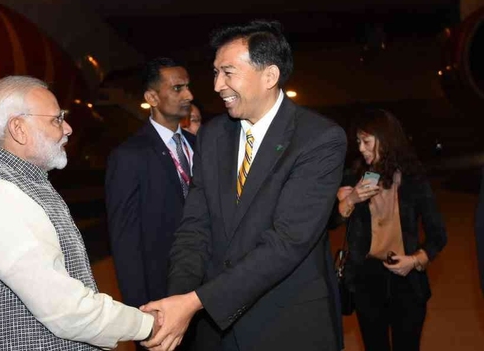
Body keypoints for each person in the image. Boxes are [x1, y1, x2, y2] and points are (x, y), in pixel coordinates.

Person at [142, 20, 347, 351]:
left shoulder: (318, 139)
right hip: (214, 331)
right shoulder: (211, 136)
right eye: (215, 72)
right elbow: (195, 227)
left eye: (227, 72)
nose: (216, 85)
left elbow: (287, 242)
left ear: (269, 76)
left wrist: (194, 302)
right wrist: (177, 300)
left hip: (287, 326)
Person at [0, 76, 156, 350]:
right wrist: (146, 325)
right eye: (56, 119)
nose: (67, 128)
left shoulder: (24, 181)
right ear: (18, 129)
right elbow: (64, 310)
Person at [334, 108, 446, 351]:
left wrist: (416, 260)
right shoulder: (356, 177)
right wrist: (349, 200)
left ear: (384, 140)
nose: (361, 148)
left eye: (366, 142)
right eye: (358, 142)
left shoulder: (413, 178)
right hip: (367, 280)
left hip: (407, 279)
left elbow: (438, 234)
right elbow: (332, 222)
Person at [106, 57, 195, 311]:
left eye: (188, 86)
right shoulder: (129, 155)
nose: (189, 94)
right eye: (178, 88)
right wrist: (140, 313)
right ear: (152, 98)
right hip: (162, 294)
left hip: (206, 290)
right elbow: (125, 241)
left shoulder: (202, 145)